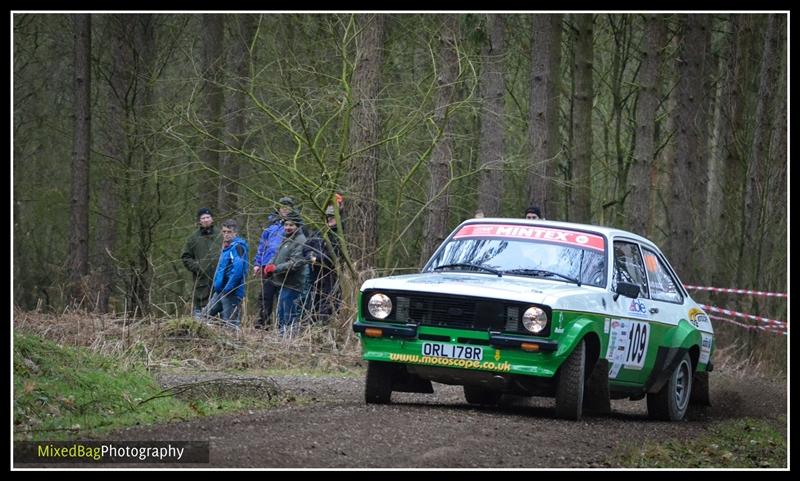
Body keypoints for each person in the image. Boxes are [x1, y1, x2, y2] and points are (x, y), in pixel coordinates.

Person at [252, 196, 294, 329]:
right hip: (266, 266)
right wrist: (258, 263)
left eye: (288, 207)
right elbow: (262, 246)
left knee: (282, 296)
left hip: (282, 266)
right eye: (282, 207)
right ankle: (263, 322)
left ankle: (283, 325)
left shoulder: (293, 226)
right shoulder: (270, 228)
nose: (285, 210)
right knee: (265, 295)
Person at [263, 216, 307, 337]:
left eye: (291, 225)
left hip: (292, 284)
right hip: (282, 282)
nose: (288, 227)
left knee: (288, 315)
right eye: (286, 225)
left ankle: (288, 340)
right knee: (281, 314)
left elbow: (295, 263)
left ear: (298, 226)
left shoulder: (300, 240)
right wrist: (270, 265)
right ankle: (281, 338)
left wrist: (276, 268)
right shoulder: (287, 238)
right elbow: (277, 254)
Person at [181, 207, 222, 319]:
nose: (205, 220)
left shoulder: (221, 235)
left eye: (208, 217)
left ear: (212, 219)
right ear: (199, 221)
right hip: (201, 282)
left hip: (220, 279)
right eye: (202, 218)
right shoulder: (192, 239)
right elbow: (186, 257)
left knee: (220, 310)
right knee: (200, 313)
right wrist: (198, 268)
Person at [304, 205, 342, 324]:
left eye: (332, 217)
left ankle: (324, 328)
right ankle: (314, 329)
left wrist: (317, 258)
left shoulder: (339, 235)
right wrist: (310, 256)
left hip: (330, 275)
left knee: (327, 304)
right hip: (315, 275)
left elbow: (334, 257)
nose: (329, 219)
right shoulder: (319, 233)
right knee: (314, 303)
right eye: (328, 217)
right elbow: (305, 248)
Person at [207, 219, 249, 328]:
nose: (226, 234)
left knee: (231, 323)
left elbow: (238, 271)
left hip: (231, 292)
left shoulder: (238, 247)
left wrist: (229, 288)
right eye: (224, 232)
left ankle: (236, 344)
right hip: (221, 290)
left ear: (235, 233)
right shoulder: (227, 248)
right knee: (206, 314)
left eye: (229, 232)